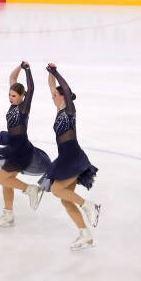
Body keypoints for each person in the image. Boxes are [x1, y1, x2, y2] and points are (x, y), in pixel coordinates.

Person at [39, 64, 100, 250]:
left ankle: (90, 205)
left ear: (63, 96)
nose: (53, 97)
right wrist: (50, 73)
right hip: (64, 156)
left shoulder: (70, 110)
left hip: (72, 156)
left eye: (55, 95)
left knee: (57, 190)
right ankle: (86, 234)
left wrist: (57, 73)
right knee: (66, 200)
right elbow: (52, 86)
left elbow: (63, 87)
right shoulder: (58, 108)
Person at [0, 62, 50, 227]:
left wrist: (28, 71)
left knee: (1, 178)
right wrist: (20, 67)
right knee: (7, 180)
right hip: (13, 146)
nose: (10, 98)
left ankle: (31, 189)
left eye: (14, 96)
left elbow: (31, 88)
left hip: (20, 149)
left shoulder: (23, 107)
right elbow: (12, 78)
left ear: (22, 96)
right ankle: (8, 215)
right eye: (9, 95)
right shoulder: (13, 104)